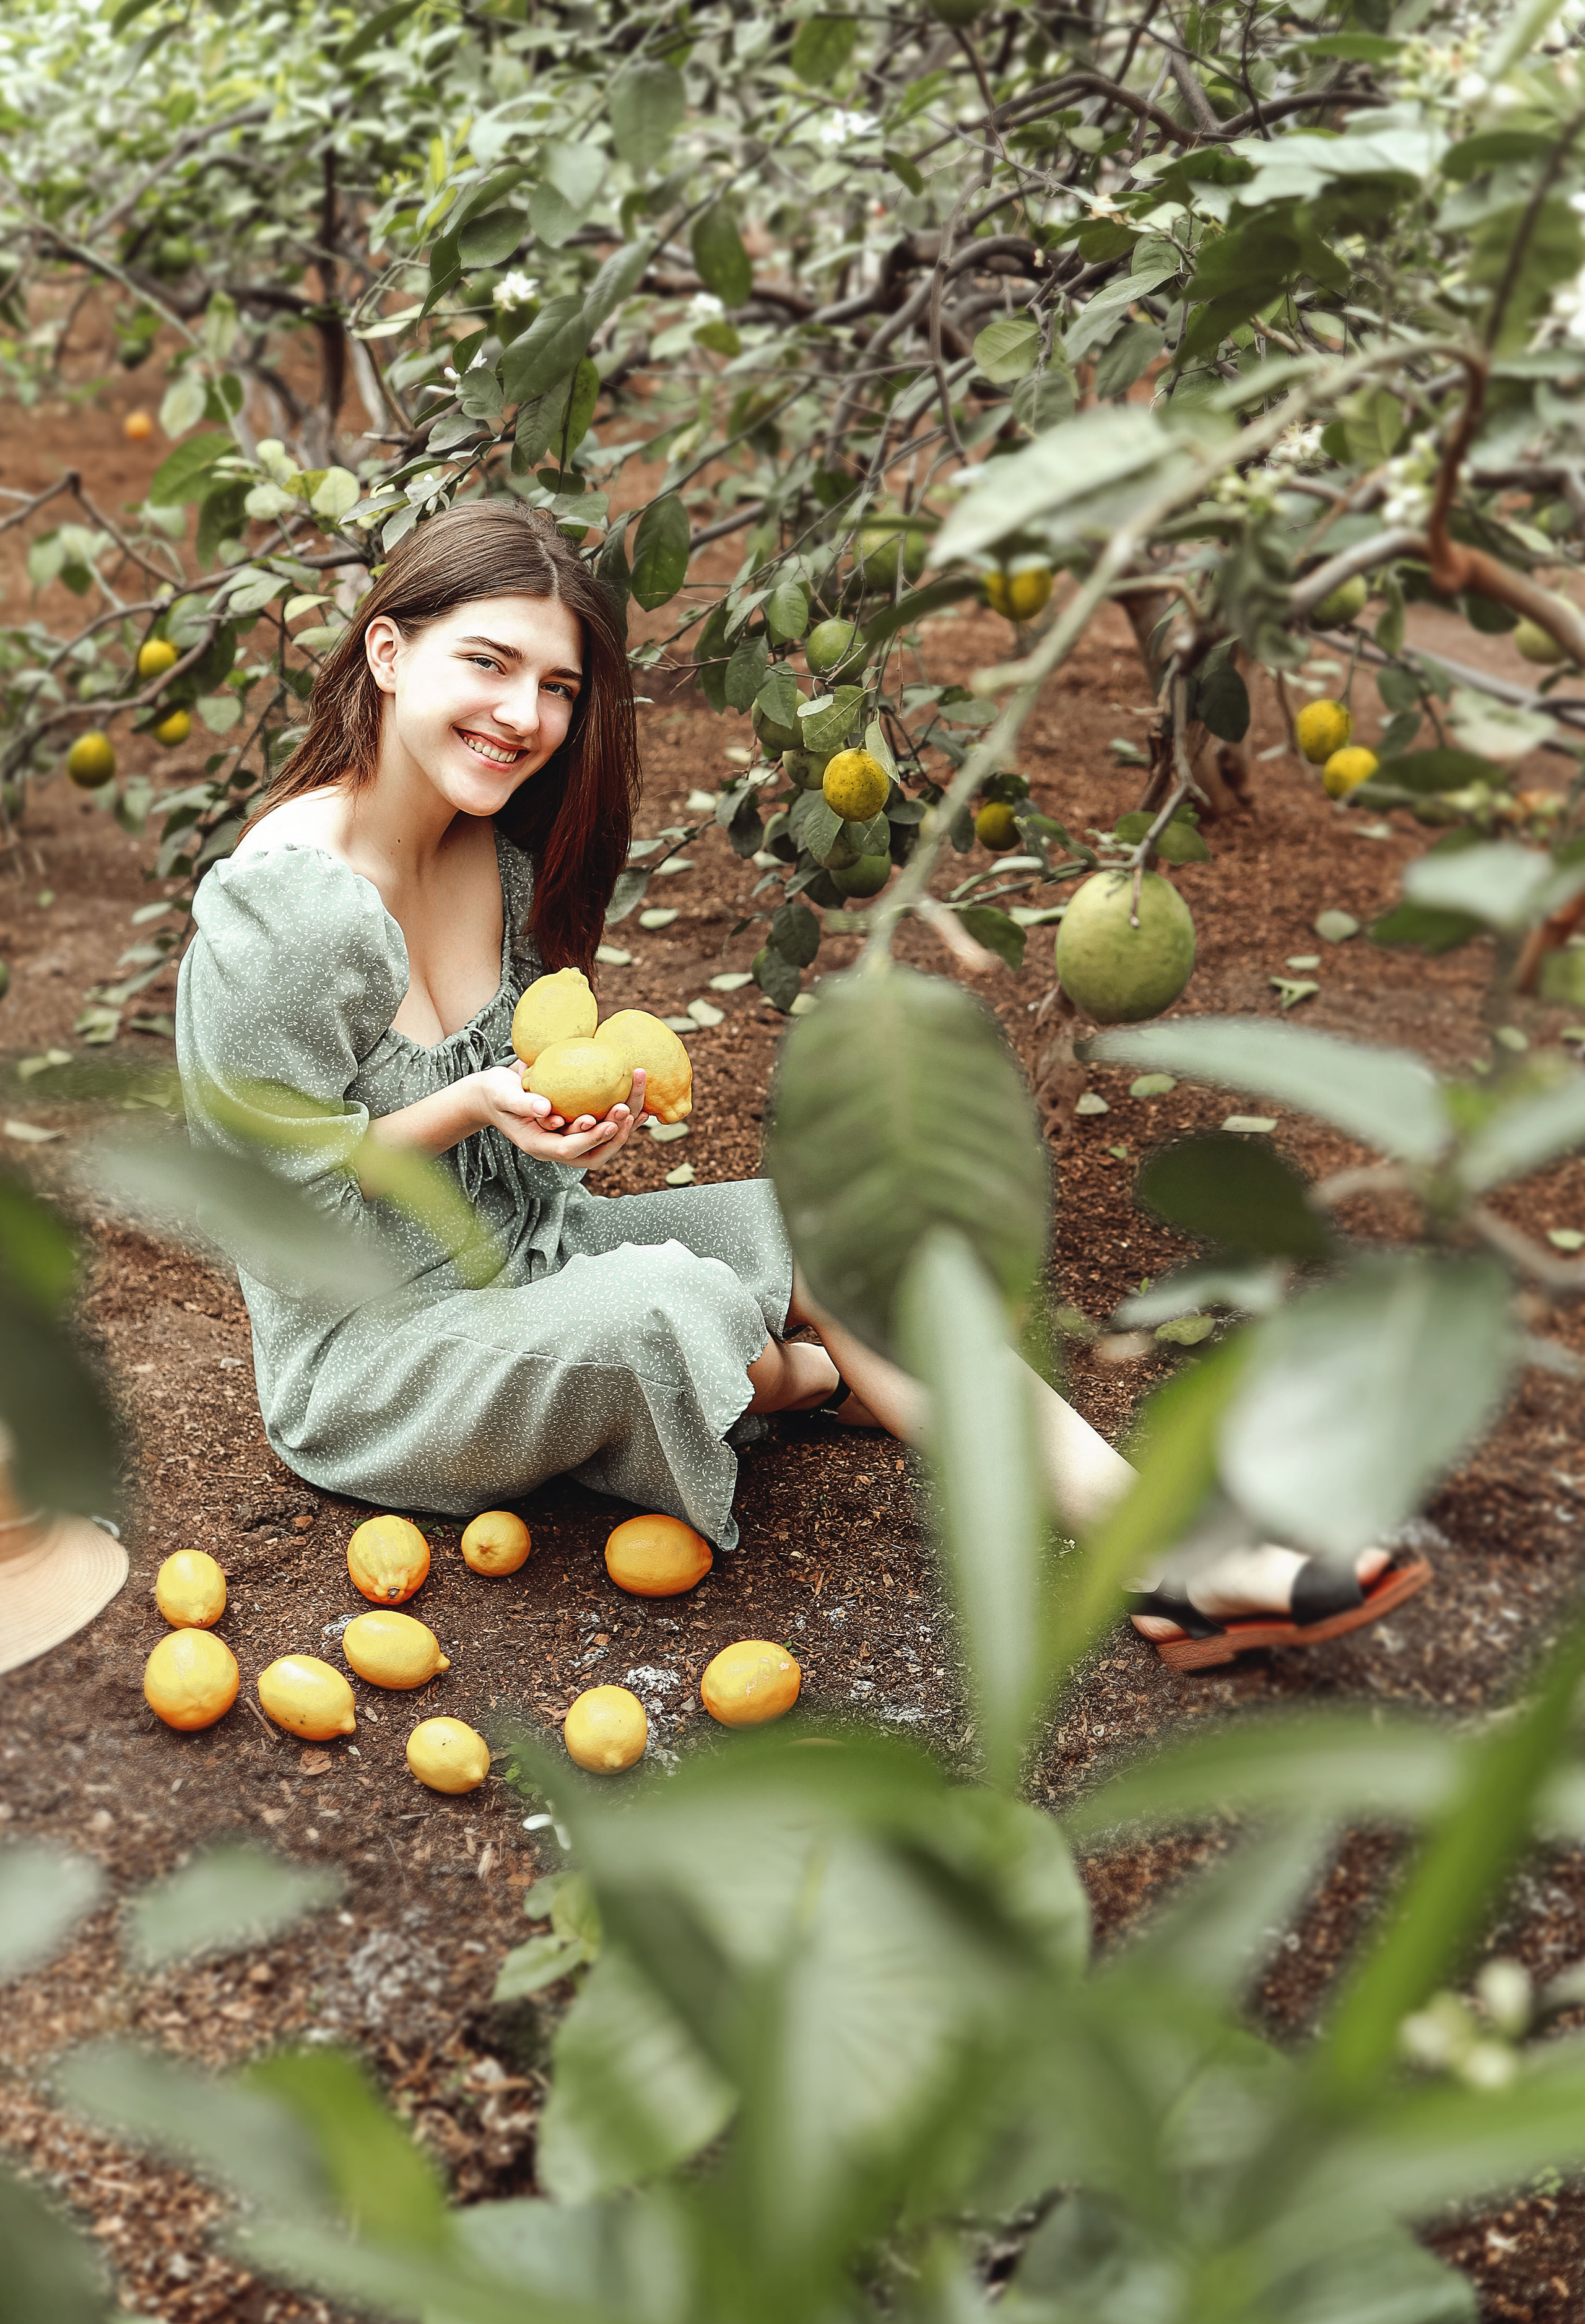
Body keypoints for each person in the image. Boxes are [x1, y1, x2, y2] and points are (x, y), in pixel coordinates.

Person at [175, 501, 1426, 1662]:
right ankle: (793, 1379)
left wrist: (559, 1117)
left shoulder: (494, 858)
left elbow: (510, 1121)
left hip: (530, 1271)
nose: (525, 715)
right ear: (389, 653)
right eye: (488, 663)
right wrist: (465, 1106)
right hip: (372, 1364)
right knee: (661, 1307)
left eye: (558, 687)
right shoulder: (289, 912)